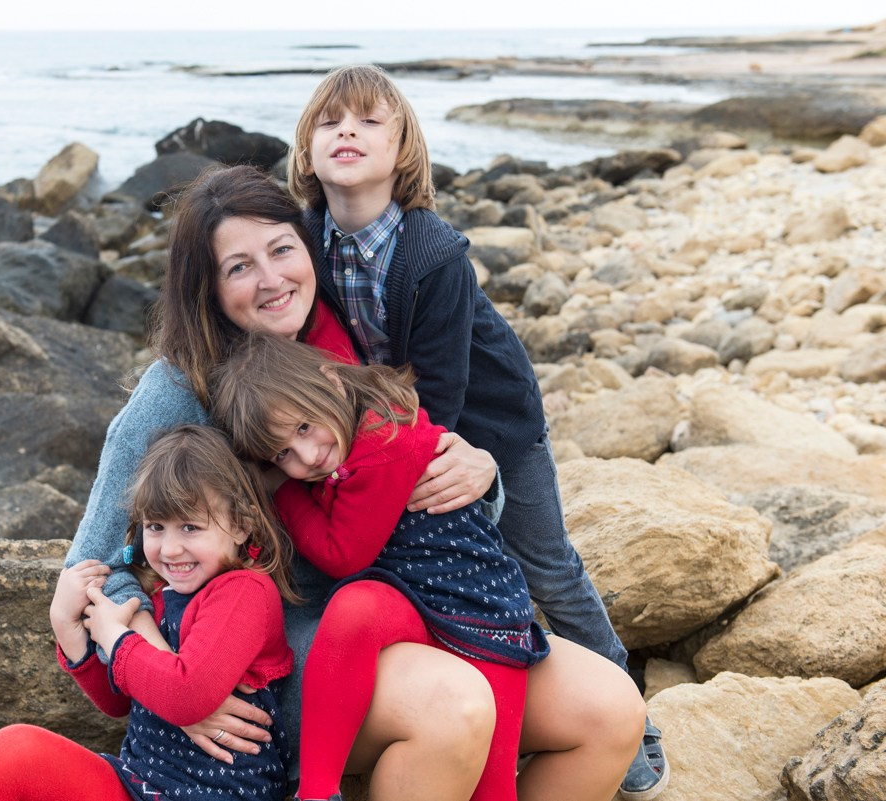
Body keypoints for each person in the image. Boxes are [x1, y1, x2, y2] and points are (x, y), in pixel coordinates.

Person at [65, 164, 645, 801]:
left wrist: (482, 474)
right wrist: (173, 677)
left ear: (307, 248)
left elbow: (415, 478)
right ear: (206, 288)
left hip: (412, 606)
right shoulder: (176, 393)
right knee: (452, 709)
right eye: (238, 267)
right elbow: (91, 565)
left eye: (282, 250)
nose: (271, 279)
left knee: (611, 712)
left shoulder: (351, 341)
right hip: (280, 658)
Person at [289, 64, 668, 800]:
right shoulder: (304, 242)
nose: (348, 133)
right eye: (330, 123)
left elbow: (444, 392)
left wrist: (470, 462)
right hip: (400, 420)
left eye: (370, 122)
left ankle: (633, 720)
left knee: (547, 566)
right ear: (305, 152)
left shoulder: (434, 257)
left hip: (491, 423)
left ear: (403, 154)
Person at [211, 331, 549, 801]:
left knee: (494, 789)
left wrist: (282, 490)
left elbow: (342, 554)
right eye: (282, 455)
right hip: (414, 596)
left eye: (305, 427)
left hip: (480, 612)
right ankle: (317, 791)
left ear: (333, 379)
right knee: (354, 610)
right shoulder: (349, 437)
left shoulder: (384, 441)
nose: (307, 457)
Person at [0, 425, 297, 801]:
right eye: (155, 527)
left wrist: (116, 636)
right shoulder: (160, 598)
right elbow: (118, 701)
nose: (169, 549)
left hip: (218, 794)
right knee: (15, 750)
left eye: (190, 527)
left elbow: (187, 696)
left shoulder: (245, 593)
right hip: (138, 785)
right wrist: (66, 625)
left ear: (241, 526)